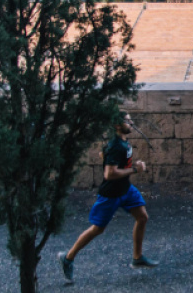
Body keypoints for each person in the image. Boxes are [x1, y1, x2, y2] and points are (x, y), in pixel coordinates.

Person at [58, 111, 158, 283]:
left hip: (126, 189)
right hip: (111, 194)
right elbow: (109, 174)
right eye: (127, 121)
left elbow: (109, 160)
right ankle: (67, 258)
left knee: (142, 217)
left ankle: (137, 258)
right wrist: (135, 170)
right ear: (117, 126)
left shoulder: (124, 143)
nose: (131, 123)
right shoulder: (115, 146)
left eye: (130, 120)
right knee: (97, 229)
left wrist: (130, 165)